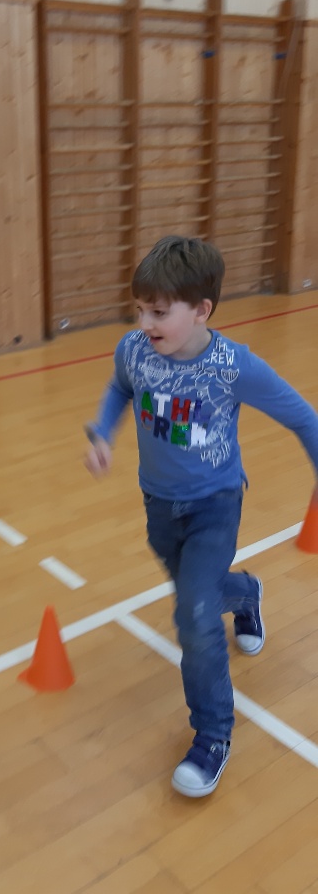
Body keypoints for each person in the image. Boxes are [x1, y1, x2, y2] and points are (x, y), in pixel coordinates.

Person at [84, 235, 318, 798]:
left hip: (215, 506)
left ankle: (212, 735)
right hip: (159, 505)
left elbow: (305, 418)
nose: (145, 322)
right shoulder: (134, 350)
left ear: (201, 310)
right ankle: (247, 593)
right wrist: (103, 432)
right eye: (140, 309)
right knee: (202, 596)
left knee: (193, 616)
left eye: (159, 312)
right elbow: (120, 389)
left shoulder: (234, 366)